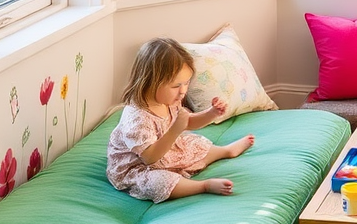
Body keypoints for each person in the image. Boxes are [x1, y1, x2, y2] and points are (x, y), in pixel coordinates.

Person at [107, 37, 254, 202]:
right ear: (151, 81)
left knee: (194, 144)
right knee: (159, 183)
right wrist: (176, 129)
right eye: (176, 86)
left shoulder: (168, 100)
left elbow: (188, 122)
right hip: (139, 166)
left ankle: (226, 151)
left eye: (186, 83)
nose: (183, 91)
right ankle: (203, 186)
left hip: (165, 151)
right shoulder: (137, 118)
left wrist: (212, 113)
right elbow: (149, 157)